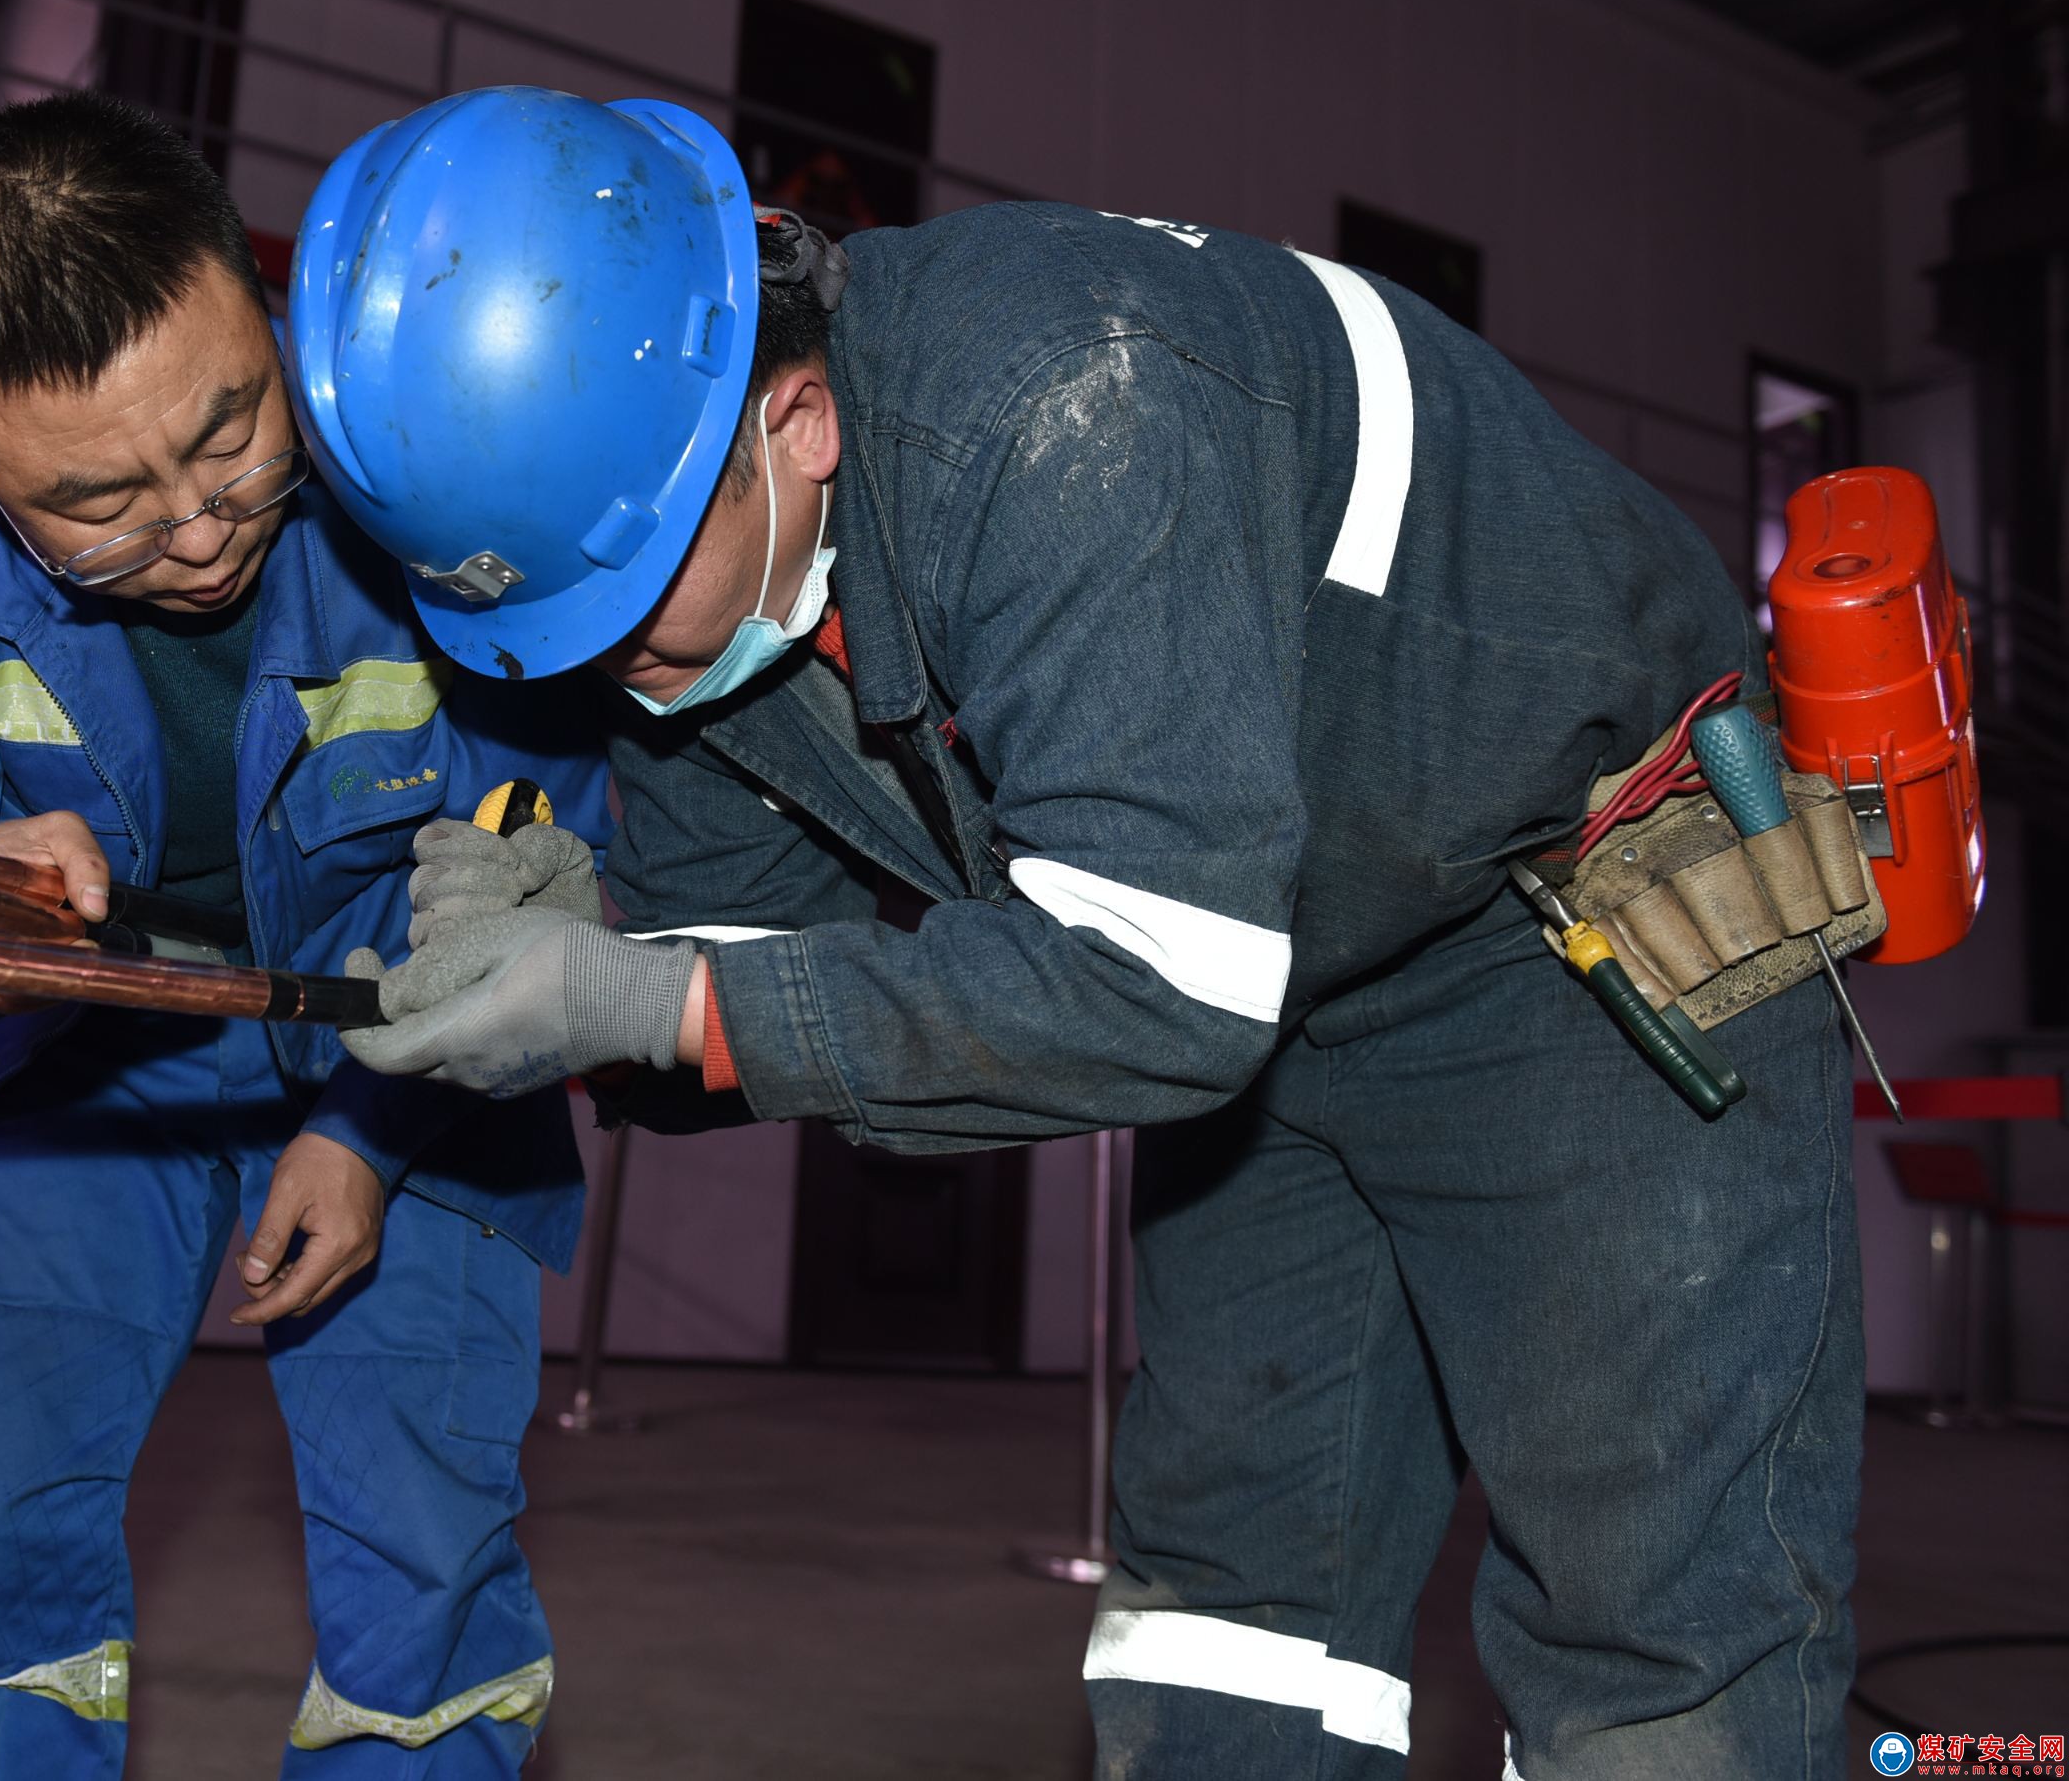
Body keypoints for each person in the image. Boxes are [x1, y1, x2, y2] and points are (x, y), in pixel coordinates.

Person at [291, 86, 1861, 1780]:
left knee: (1657, 1649)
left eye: (617, 609)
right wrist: (591, 943)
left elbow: (1155, 981)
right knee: (1226, 1626)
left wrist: (654, 1000)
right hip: (1280, 994)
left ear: (795, 417)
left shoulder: (1068, 407)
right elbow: (737, 958)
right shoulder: (683, 587)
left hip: (1571, 931)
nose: (608, 677)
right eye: (546, 636)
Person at [0, 91, 606, 1779]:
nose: (201, 527)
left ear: (260, 297)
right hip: (87, 1044)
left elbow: (539, 837)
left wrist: (370, 1127)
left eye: (228, 436)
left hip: (415, 1013)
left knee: (424, 1543)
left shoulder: (421, 448)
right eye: (99, 506)